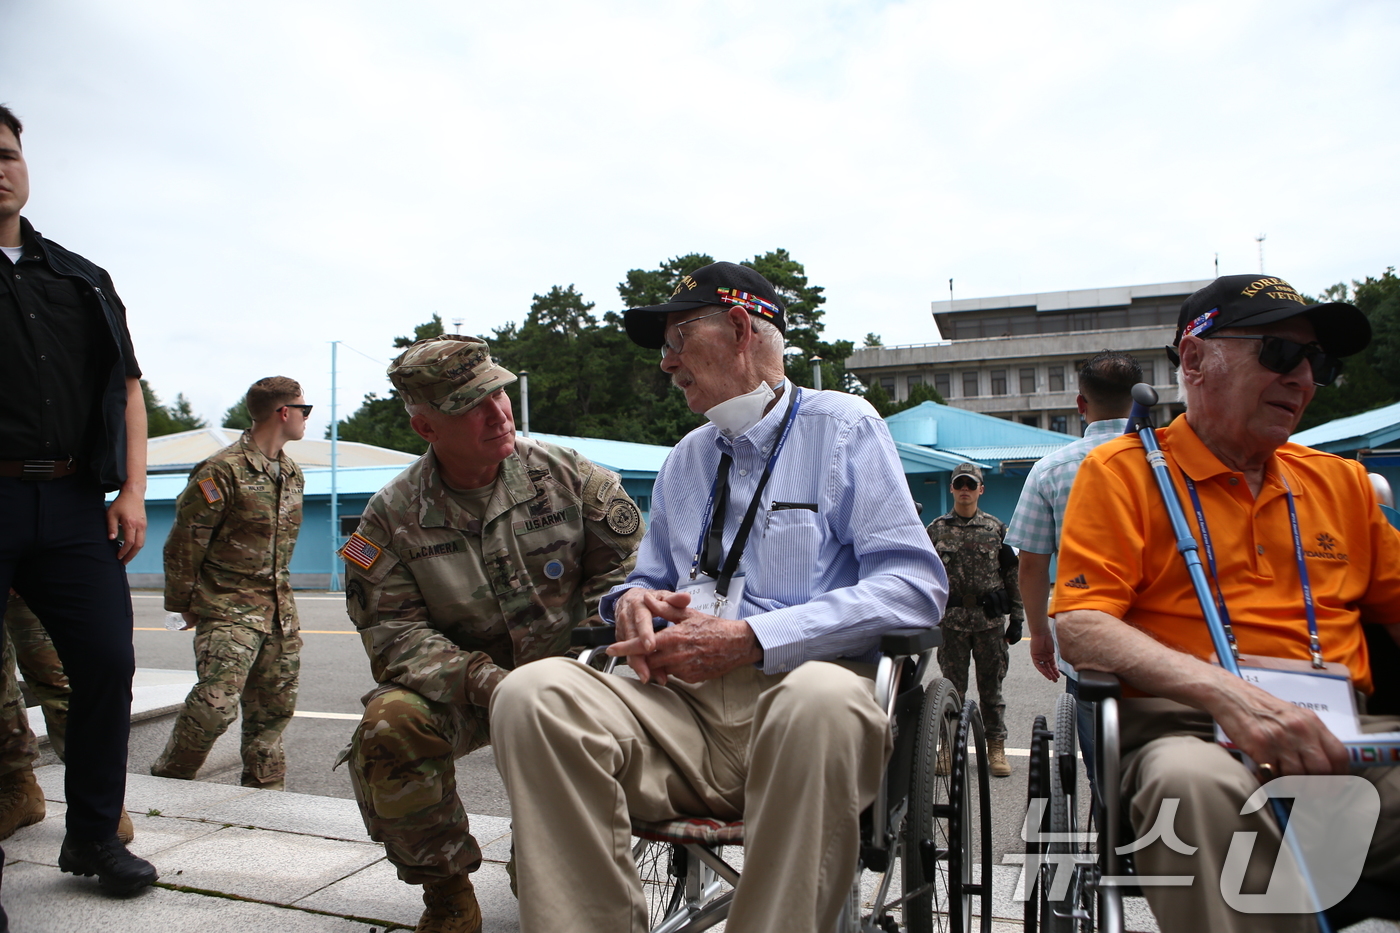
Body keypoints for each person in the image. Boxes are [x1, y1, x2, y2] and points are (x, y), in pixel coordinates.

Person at [490, 261, 948, 933]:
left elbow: (915, 587)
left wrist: (756, 637)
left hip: (804, 701)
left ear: (738, 328)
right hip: (684, 711)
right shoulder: (687, 457)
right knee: (531, 694)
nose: (667, 362)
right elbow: (650, 576)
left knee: (817, 700)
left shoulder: (844, 427)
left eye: (678, 337)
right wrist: (633, 601)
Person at [1053, 274, 1400, 932]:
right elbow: (1080, 624)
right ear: (1194, 360)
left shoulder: (1343, 482)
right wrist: (1228, 694)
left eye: (1317, 362)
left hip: (1347, 748)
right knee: (1190, 785)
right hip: (1199, 738)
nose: (1303, 378)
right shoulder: (1123, 472)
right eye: (1278, 353)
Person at [339, 335, 644, 933]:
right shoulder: (389, 516)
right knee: (389, 727)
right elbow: (394, 633)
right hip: (470, 692)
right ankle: (448, 895)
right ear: (427, 428)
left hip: (576, 677)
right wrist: (492, 686)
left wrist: (578, 667)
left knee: (548, 892)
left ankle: (555, 861)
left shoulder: (568, 477)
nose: (498, 412)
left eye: (499, 393)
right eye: (472, 406)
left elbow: (627, 576)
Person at [0, 103, 156, 894]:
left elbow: (127, 387)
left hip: (67, 500)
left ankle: (92, 836)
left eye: (7, 153)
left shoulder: (81, 278)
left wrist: (131, 489)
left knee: (106, 660)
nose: (0, 168)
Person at [151, 377, 308, 789]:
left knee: (273, 710)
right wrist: (182, 603)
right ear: (284, 413)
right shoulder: (221, 471)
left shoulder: (291, 473)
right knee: (215, 705)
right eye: (304, 410)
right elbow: (185, 541)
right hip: (227, 608)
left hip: (278, 613)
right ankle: (168, 780)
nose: (308, 418)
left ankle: (265, 793)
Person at [1006, 350, 1141, 784]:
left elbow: (1031, 565)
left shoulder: (1053, 469)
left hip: (1090, 640)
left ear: (1081, 405)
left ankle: (1111, 838)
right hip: (1172, 641)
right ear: (1140, 399)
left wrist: (1040, 636)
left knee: (1107, 778)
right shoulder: (1174, 462)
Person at [926, 461, 1024, 777]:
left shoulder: (997, 530)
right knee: (952, 690)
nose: (965, 490)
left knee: (991, 691)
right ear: (952, 488)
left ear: (981, 489)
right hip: (951, 623)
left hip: (989, 624)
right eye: (960, 484)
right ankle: (948, 748)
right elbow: (924, 576)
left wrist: (1018, 618)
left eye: (971, 485)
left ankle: (996, 748)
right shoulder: (936, 529)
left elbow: (1013, 576)